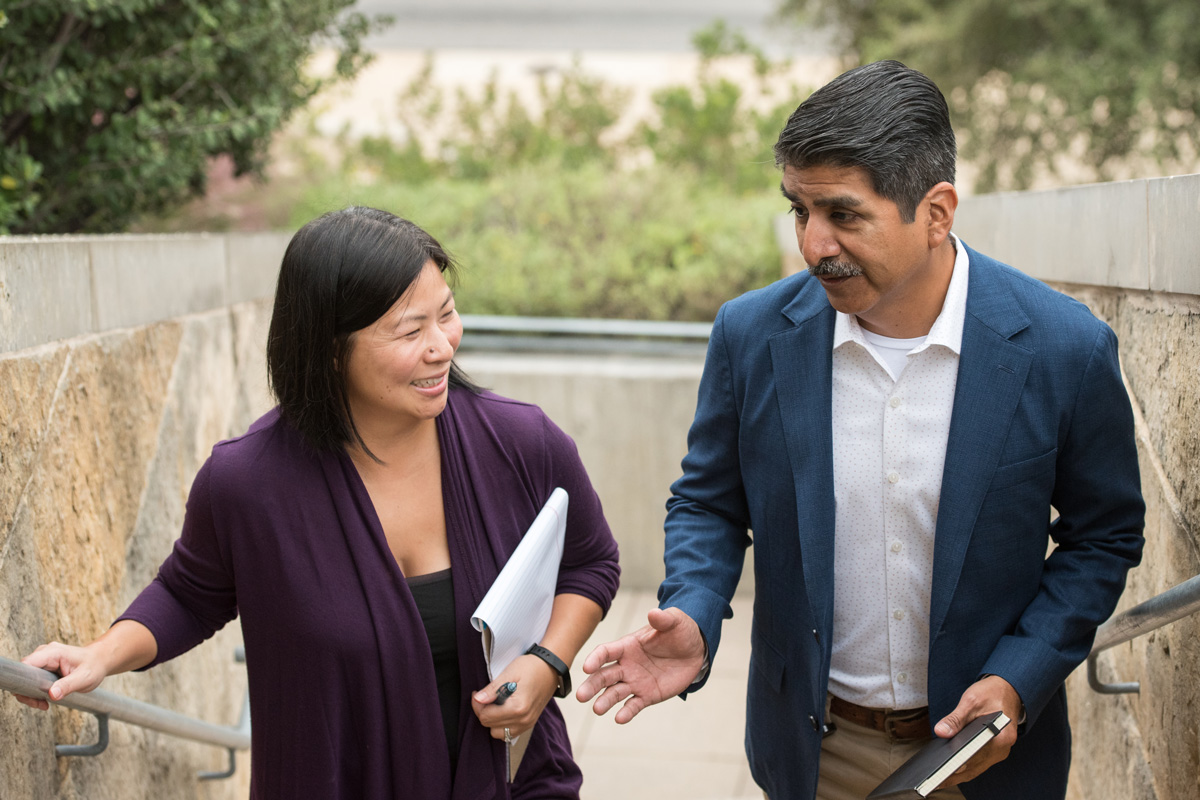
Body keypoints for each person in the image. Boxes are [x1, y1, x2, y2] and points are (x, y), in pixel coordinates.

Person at [575, 60, 1144, 800]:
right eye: (799, 212)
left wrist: (1020, 673)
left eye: (843, 215)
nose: (813, 246)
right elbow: (711, 502)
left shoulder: (1064, 349)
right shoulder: (750, 334)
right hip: (812, 754)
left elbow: (1103, 537)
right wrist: (693, 604)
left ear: (936, 212)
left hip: (982, 761)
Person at [16, 207, 621, 799]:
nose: (442, 347)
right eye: (410, 331)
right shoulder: (245, 482)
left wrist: (547, 662)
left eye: (447, 314)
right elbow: (188, 594)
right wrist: (100, 654)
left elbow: (591, 563)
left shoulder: (521, 442)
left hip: (518, 783)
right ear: (330, 348)